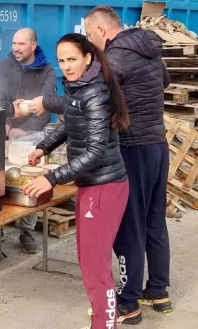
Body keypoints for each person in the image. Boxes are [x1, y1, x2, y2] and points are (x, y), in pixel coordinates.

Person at [22, 33, 129, 329]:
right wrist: (45, 146)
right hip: (92, 184)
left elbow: (95, 151)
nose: (66, 66)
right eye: (61, 61)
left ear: (88, 58)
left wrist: (52, 177)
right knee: (89, 260)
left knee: (95, 266)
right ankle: (102, 321)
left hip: (104, 186)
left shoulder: (95, 93)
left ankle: (104, 324)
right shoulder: (79, 86)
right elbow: (70, 122)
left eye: (72, 59)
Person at [83, 5, 173, 323]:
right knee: (153, 220)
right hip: (158, 145)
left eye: (89, 35)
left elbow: (92, 98)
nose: (89, 42)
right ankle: (159, 291)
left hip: (133, 148)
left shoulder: (115, 58)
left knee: (129, 226)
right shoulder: (148, 49)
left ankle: (129, 302)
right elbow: (164, 81)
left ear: (102, 31)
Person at [0, 27, 58, 254]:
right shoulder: (4, 65)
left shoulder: (48, 71)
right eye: (14, 43)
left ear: (33, 45)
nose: (16, 48)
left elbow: (45, 107)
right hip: (6, 127)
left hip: (32, 132)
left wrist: (26, 131)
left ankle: (26, 229)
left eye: (21, 44)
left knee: (29, 177)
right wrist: (8, 125)